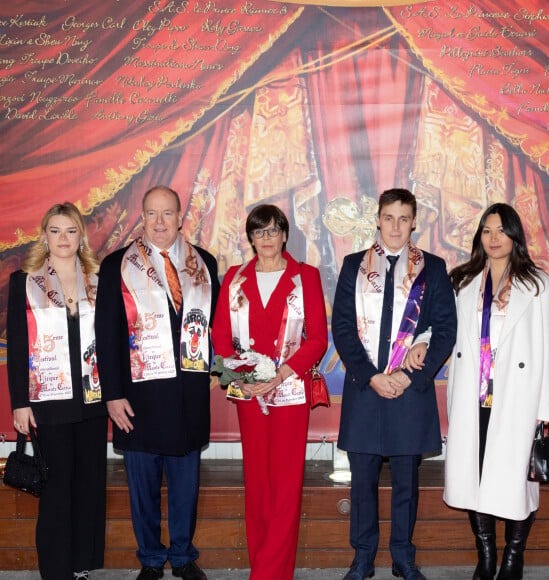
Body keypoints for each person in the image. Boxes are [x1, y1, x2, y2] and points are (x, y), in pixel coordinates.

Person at [95, 185, 220, 580]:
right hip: (138, 399)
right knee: (143, 489)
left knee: (185, 488)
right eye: (153, 213)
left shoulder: (206, 264)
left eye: (168, 213)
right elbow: (106, 335)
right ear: (142, 217)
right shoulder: (116, 265)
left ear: (181, 217)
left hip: (187, 398)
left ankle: (182, 557)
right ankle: (150, 558)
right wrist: (112, 395)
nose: (161, 222)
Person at [332, 188, 457, 580]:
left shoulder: (433, 268)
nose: (396, 226)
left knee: (406, 482)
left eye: (405, 219)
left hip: (409, 391)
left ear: (415, 222)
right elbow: (342, 328)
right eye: (389, 218)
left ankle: (403, 556)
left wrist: (406, 375)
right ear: (378, 219)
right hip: (366, 390)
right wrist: (372, 377)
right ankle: (363, 557)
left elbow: (446, 330)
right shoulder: (354, 265)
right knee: (362, 483)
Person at [443, 203, 549, 580]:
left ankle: (513, 557)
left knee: (515, 481)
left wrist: (547, 407)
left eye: (501, 230)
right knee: (474, 475)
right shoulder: (462, 281)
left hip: (518, 397)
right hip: (472, 394)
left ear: (514, 235)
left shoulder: (537, 284)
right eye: (486, 231)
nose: (493, 239)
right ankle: (486, 556)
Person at [211, 204, 327, 580]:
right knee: (257, 482)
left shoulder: (305, 277)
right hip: (247, 393)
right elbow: (219, 338)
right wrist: (236, 379)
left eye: (274, 231)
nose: (267, 239)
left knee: (286, 484)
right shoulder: (234, 278)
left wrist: (278, 377)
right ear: (250, 238)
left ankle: (267, 573)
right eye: (259, 232)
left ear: (284, 235)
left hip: (289, 392)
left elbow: (318, 340)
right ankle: (263, 563)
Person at [7, 202, 107, 580]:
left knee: (88, 484)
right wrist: (20, 403)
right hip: (48, 402)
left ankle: (80, 564)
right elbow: (18, 348)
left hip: (93, 399)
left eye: (70, 231)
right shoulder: (25, 282)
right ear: (44, 235)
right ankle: (55, 568)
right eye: (55, 230)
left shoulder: (99, 280)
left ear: (81, 236)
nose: (63, 238)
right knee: (57, 487)